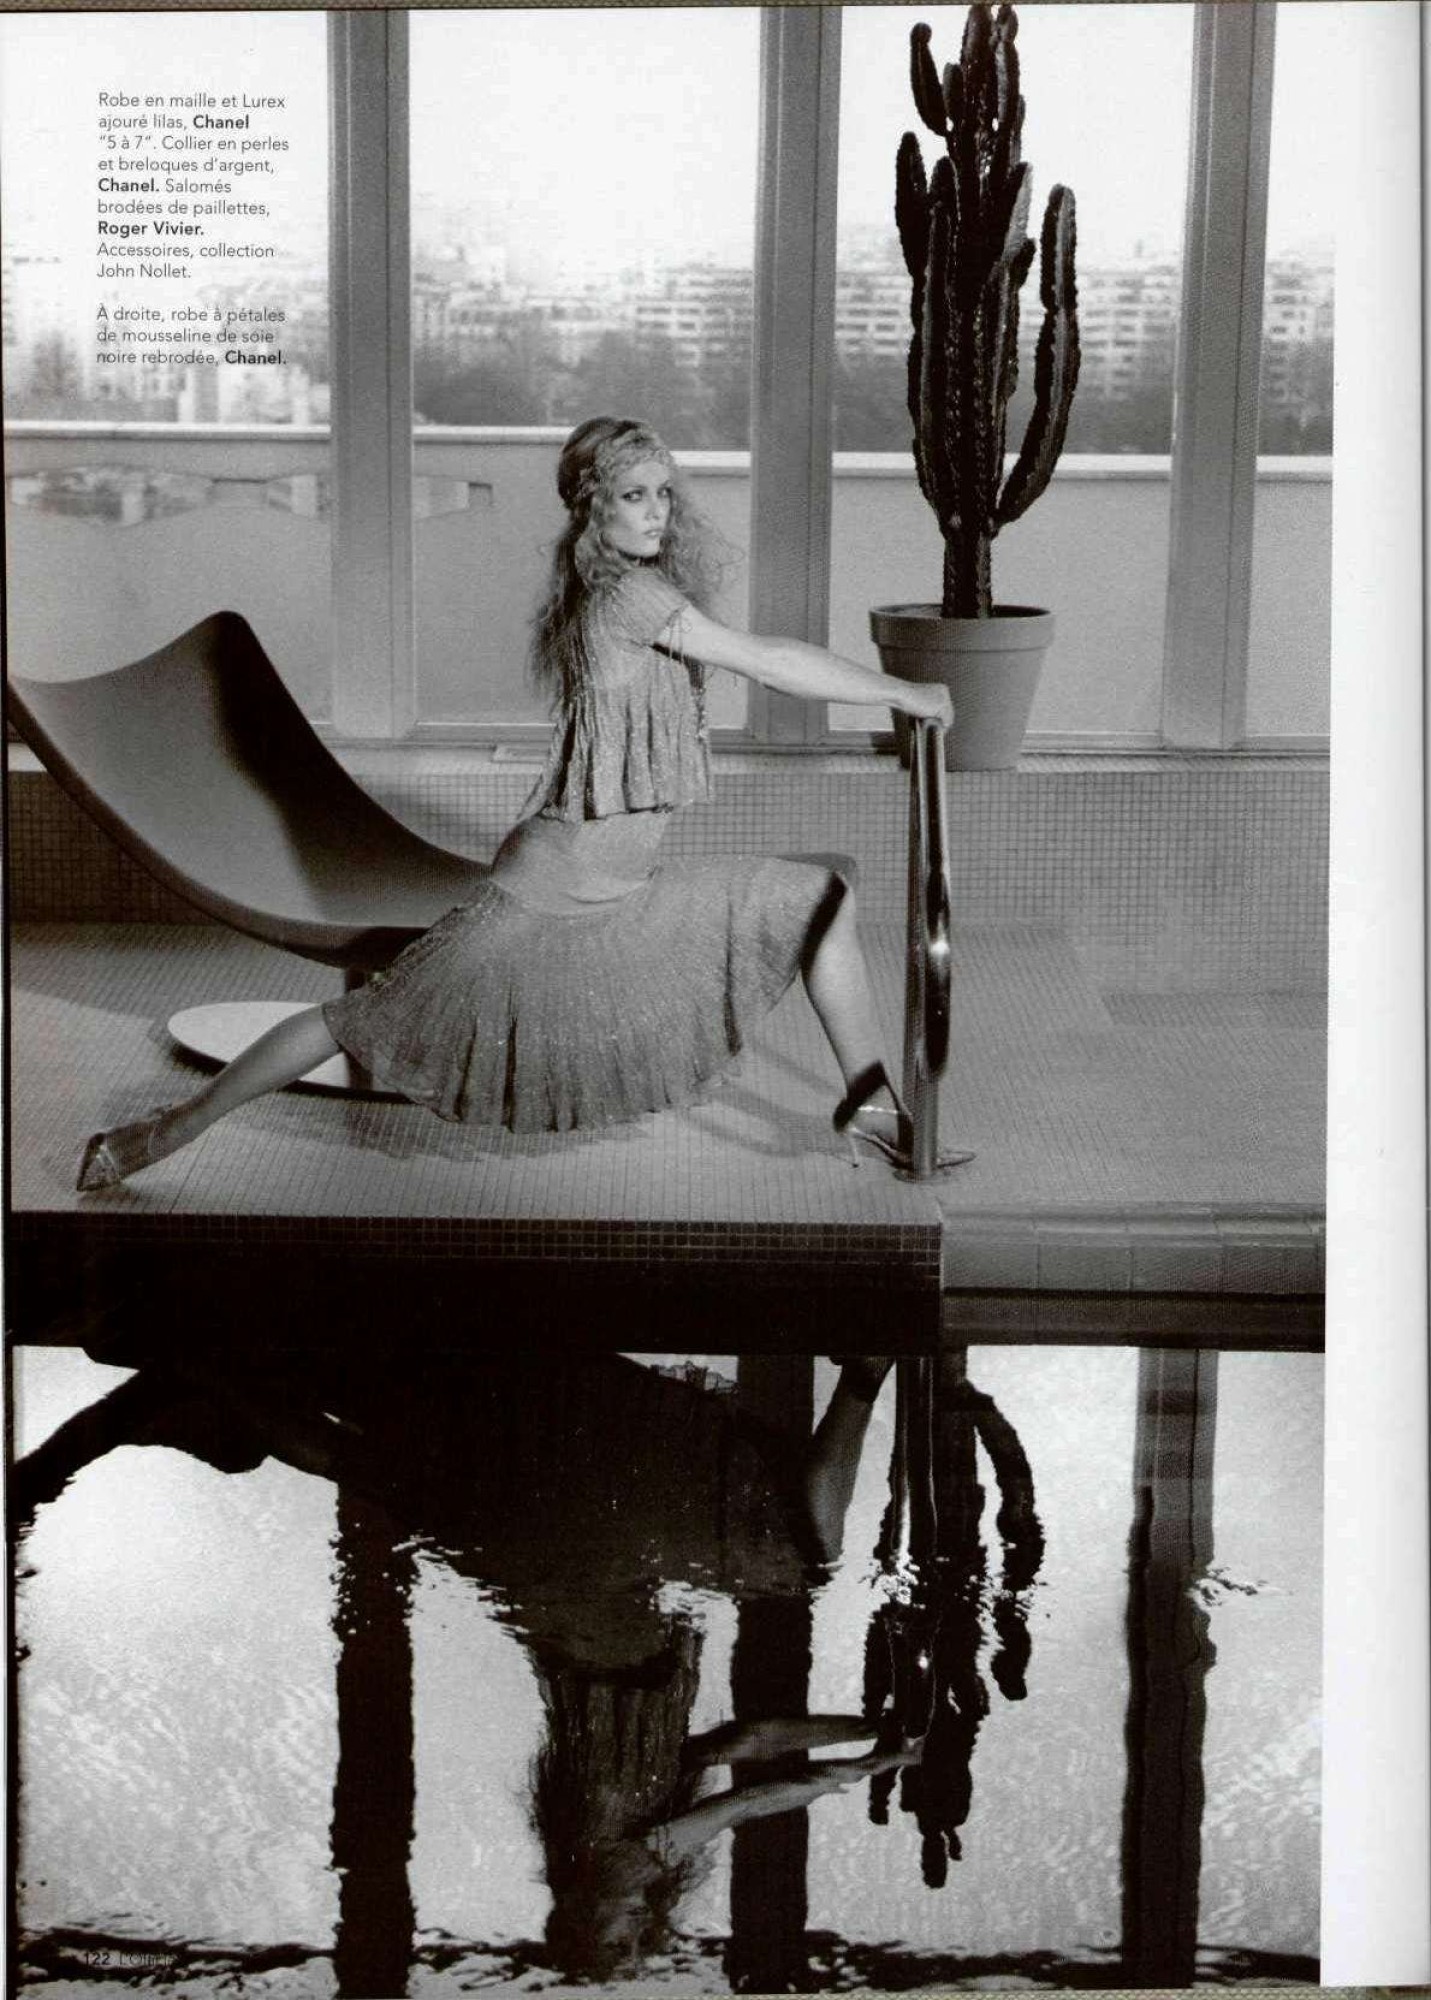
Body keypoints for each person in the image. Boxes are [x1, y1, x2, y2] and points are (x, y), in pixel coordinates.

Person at [77, 415, 964, 1191]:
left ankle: (869, 1105)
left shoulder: (623, 589)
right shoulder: (629, 595)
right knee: (356, 1023)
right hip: (550, 893)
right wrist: (906, 691)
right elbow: (766, 658)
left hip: (619, 893)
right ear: (592, 509)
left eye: (663, 493)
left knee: (824, 895)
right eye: (633, 496)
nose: (655, 511)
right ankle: (159, 1134)